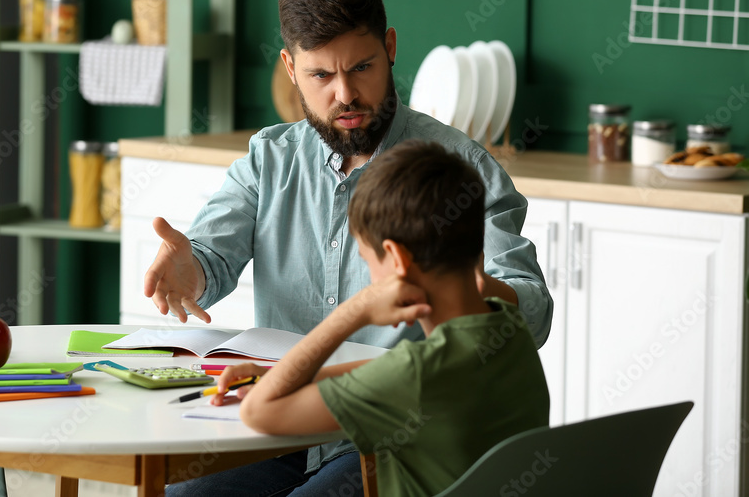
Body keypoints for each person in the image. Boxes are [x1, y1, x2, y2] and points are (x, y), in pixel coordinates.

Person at [146, 0, 552, 495]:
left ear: (389, 47)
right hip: (290, 419)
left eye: (361, 68)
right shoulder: (269, 157)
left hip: (391, 437)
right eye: (321, 75)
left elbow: (533, 309)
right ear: (291, 69)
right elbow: (210, 259)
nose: (345, 95)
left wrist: (458, 286)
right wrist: (189, 270)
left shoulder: (458, 165)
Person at [212, 140, 550, 496]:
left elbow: (258, 414)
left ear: (396, 259)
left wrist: (351, 313)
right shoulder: (508, 331)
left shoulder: (413, 376)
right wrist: (275, 375)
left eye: (368, 260)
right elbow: (378, 376)